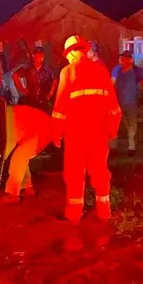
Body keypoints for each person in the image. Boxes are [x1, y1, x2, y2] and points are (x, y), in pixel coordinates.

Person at [51, 35, 120, 221]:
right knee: (100, 171)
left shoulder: (68, 72)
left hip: (75, 134)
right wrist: (112, 130)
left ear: (71, 53)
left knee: (74, 172)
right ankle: (104, 211)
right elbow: (113, 107)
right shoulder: (101, 71)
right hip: (99, 132)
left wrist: (56, 134)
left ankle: (74, 214)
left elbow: (60, 109)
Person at [1, 104, 52, 204]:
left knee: (18, 157)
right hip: (41, 125)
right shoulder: (4, 114)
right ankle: (27, 187)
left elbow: (5, 147)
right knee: (21, 157)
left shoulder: (4, 119)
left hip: (41, 128)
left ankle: (12, 195)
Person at [111, 51, 143, 155]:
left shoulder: (137, 71)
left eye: (125, 58)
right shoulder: (117, 70)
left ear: (130, 60)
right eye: (122, 58)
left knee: (132, 126)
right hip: (118, 102)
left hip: (131, 103)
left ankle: (131, 148)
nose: (122, 60)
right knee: (116, 125)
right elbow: (112, 85)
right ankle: (113, 148)